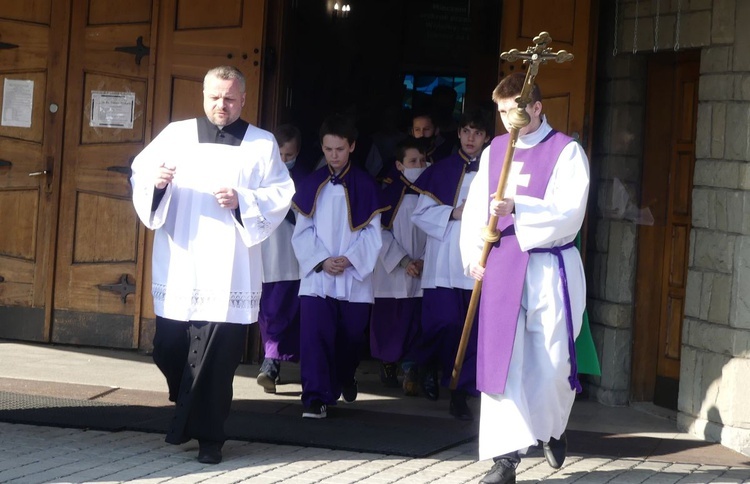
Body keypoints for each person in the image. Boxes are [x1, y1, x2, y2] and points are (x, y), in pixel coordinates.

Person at [130, 66, 295, 465]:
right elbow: (140, 173)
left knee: (218, 362)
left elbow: (280, 193)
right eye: (215, 97)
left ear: (244, 98)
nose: (222, 105)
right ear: (204, 95)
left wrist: (244, 201)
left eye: (231, 98)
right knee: (167, 348)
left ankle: (211, 440)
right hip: (182, 260)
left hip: (230, 265)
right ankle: (185, 400)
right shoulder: (176, 134)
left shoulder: (262, 143)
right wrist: (158, 182)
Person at [459, 72, 589, 484]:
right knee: (502, 362)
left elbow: (571, 212)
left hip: (549, 265)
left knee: (552, 365)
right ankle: (505, 459)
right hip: (502, 266)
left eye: (513, 111)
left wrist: (519, 209)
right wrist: (471, 255)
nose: (505, 122)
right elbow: (478, 207)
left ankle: (552, 428)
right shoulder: (495, 150)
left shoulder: (566, 152)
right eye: (500, 112)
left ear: (536, 107)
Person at [291, 114, 388, 419]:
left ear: (352, 147)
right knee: (315, 337)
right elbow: (301, 230)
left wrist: (350, 260)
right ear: (322, 147)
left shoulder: (367, 185)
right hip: (318, 277)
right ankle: (316, 397)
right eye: (329, 149)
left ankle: (345, 375)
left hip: (353, 277)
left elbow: (374, 232)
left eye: (340, 149)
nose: (334, 155)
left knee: (350, 339)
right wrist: (322, 260)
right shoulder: (310, 184)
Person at [410, 108, 492, 420]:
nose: (471, 138)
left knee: (470, 331)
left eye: (477, 133)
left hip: (476, 261)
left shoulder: (495, 171)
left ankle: (460, 391)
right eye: (466, 131)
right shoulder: (441, 170)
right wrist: (453, 213)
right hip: (444, 261)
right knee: (441, 323)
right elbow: (419, 214)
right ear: (458, 133)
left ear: (486, 138)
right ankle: (429, 364)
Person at [370, 136, 429, 394]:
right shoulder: (388, 195)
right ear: (399, 165)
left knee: (416, 321)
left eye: (422, 160)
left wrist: (424, 260)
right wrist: (403, 261)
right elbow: (378, 233)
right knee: (390, 320)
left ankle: (412, 367)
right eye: (413, 161)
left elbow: (439, 231)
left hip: (423, 268)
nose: (419, 165)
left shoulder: (433, 194)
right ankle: (387, 363)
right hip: (392, 271)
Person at [256, 124, 310, 393]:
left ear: (298, 153)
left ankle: (271, 363)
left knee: (280, 311)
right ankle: (271, 361)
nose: (285, 161)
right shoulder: (258, 177)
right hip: (261, 254)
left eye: (289, 156)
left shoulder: (304, 180)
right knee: (266, 313)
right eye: (280, 156)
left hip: (289, 258)